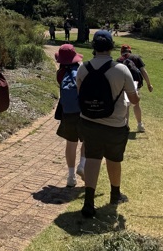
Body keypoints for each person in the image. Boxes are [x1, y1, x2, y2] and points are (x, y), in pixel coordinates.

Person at [76, 30, 139, 218]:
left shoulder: (83, 68)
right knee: (114, 159)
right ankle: (115, 194)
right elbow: (134, 100)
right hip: (115, 125)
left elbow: (80, 94)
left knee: (93, 158)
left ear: (94, 47)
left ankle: (88, 202)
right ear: (111, 47)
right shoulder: (121, 69)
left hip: (89, 122)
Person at [54, 43, 85, 187]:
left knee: (71, 143)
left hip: (68, 112)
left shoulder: (60, 74)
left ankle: (71, 176)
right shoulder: (80, 69)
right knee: (86, 140)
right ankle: (82, 164)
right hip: (82, 110)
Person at [118, 44, 153, 132]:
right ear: (130, 50)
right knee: (136, 104)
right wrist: (149, 84)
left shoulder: (119, 60)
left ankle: (125, 126)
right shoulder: (136, 58)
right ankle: (140, 125)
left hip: (123, 83)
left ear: (121, 52)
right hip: (135, 83)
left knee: (126, 105)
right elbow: (143, 71)